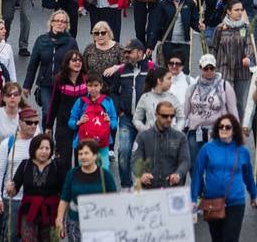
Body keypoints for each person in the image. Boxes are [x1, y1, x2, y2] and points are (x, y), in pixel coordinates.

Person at [191, 113, 257, 242]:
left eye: (228, 127)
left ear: (234, 131)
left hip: (235, 202)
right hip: (212, 202)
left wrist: (254, 195)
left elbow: (248, 176)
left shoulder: (242, 151)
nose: (223, 129)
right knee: (217, 239)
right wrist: (193, 198)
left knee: (230, 239)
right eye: (221, 127)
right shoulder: (207, 149)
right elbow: (197, 174)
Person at [108, 38, 154, 191]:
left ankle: (147, 185)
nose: (126, 55)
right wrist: (119, 111)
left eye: (129, 52)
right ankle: (126, 185)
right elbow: (113, 92)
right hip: (127, 118)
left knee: (149, 153)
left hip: (147, 119)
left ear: (140, 53)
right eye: (125, 52)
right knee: (123, 151)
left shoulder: (152, 68)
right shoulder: (121, 71)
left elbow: (162, 89)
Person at [0, 106, 41, 241]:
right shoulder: (8, 143)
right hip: (14, 200)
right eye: (29, 123)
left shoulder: (40, 144)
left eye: (36, 123)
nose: (33, 126)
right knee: (11, 236)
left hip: (35, 199)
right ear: (20, 123)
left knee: (32, 237)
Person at [22, 9, 78, 124]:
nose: (59, 23)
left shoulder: (71, 42)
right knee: (47, 111)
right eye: (57, 20)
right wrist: (27, 86)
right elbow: (33, 64)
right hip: (45, 84)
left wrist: (76, 83)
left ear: (66, 25)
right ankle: (46, 138)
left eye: (63, 22)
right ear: (51, 22)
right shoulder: (41, 40)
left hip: (64, 83)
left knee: (63, 114)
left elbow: (77, 64)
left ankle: (60, 139)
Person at [7, 133, 66, 242]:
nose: (44, 151)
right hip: (29, 213)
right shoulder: (25, 165)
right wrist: (10, 188)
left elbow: (64, 193)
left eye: (47, 148)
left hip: (51, 213)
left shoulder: (57, 166)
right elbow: (13, 191)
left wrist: (61, 217)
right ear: (33, 149)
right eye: (40, 148)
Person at [56, 139, 117, 241]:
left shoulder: (105, 175)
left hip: (98, 223)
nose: (83, 157)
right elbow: (64, 198)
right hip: (75, 223)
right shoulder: (72, 174)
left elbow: (115, 200)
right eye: (80, 154)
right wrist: (59, 219)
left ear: (95, 155)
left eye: (86, 153)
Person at [184, 53, 238, 167]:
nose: (209, 71)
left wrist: (236, 133)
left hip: (216, 132)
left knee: (216, 167)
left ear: (215, 68)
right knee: (195, 167)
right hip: (195, 132)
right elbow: (185, 111)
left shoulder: (224, 86)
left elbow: (233, 111)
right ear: (200, 68)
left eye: (211, 68)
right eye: (205, 68)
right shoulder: (192, 87)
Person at [147, 0, 201, 71]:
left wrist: (199, 27)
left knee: (183, 72)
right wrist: (151, 46)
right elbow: (156, 25)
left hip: (184, 44)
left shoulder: (190, 3)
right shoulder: (164, 3)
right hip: (168, 43)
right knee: (166, 72)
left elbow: (194, 22)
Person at [131, 99, 190, 189]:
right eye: (165, 116)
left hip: (172, 187)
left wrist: (178, 174)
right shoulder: (142, 136)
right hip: (149, 189)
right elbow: (135, 160)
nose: (169, 119)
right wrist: (142, 174)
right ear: (156, 115)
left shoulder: (180, 137)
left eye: (172, 116)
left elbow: (185, 161)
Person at [211, 0, 253, 120]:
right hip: (224, 68)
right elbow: (214, 47)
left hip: (241, 69)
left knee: (239, 102)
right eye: (236, 10)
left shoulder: (245, 27)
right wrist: (211, 66)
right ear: (229, 11)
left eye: (241, 10)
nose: (239, 12)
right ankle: (224, 127)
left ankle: (238, 129)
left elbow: (249, 44)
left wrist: (247, 56)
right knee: (225, 100)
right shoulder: (220, 28)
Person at [67, 73, 118, 170]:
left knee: (103, 171)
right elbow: (71, 122)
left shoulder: (108, 101)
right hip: (83, 144)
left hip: (103, 144)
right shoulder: (81, 101)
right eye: (90, 85)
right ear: (86, 86)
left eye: (96, 85)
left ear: (101, 86)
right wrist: (78, 122)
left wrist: (110, 121)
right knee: (84, 171)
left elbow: (115, 124)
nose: (93, 89)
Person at [46, 50, 86, 165]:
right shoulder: (59, 79)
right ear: (67, 63)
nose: (77, 62)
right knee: (63, 159)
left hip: (82, 124)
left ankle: (79, 182)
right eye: (74, 60)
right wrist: (49, 126)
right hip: (63, 123)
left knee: (82, 159)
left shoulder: (85, 79)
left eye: (79, 60)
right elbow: (54, 103)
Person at [133, 67, 183, 131]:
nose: (171, 82)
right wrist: (145, 131)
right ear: (159, 80)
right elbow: (136, 119)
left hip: (169, 139)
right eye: (168, 79)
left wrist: (176, 131)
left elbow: (181, 118)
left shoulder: (173, 98)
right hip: (151, 139)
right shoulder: (145, 97)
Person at [0, 81, 24, 167]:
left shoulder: (26, 115)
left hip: (21, 162)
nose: (12, 97)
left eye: (16, 94)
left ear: (20, 97)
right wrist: (0, 166)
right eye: (8, 95)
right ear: (3, 98)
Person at [81, 22, 123, 92]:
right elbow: (83, 68)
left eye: (103, 33)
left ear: (109, 33)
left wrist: (115, 68)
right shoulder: (89, 48)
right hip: (93, 89)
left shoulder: (118, 48)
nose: (100, 35)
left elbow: (127, 65)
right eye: (97, 33)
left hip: (113, 88)